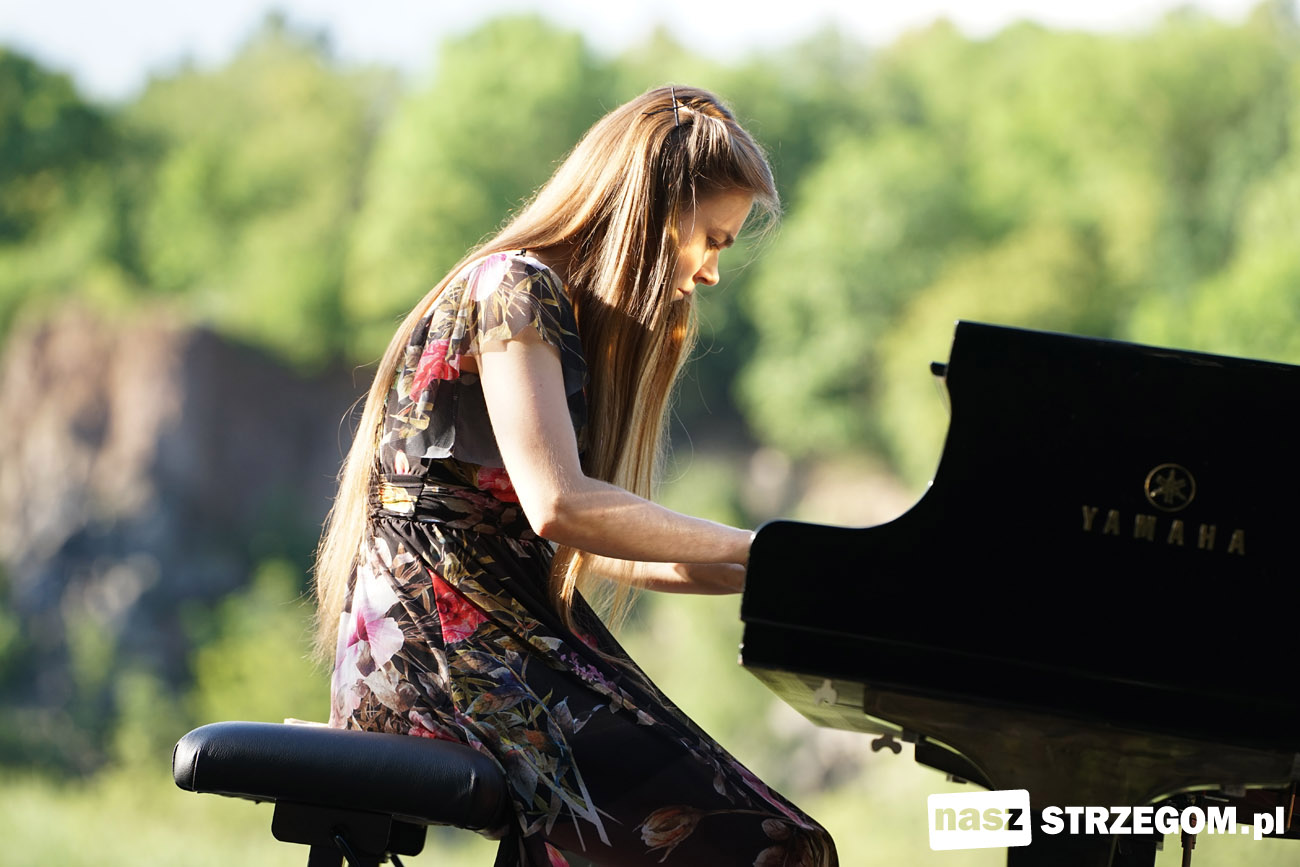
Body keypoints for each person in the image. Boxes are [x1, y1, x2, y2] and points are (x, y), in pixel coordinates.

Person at [313, 85, 837, 867]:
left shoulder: (541, 303)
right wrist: (764, 548)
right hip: (440, 658)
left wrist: (784, 576)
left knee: (780, 840)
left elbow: (602, 545)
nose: (712, 272)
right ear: (656, 210)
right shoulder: (513, 286)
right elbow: (561, 507)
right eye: (712, 239)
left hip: (482, 636)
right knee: (778, 846)